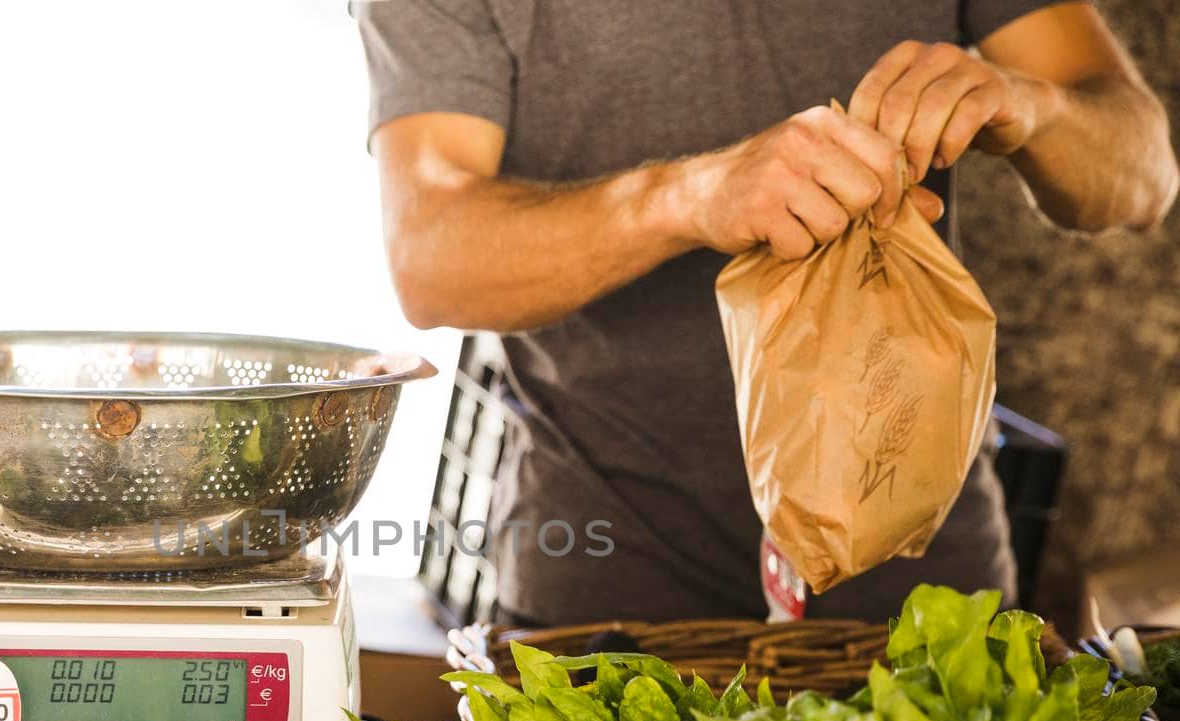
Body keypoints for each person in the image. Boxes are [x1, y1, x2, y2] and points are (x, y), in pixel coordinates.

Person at [355, 1, 1177, 626]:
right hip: (605, 601)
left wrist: (1039, 107)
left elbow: (1144, 177)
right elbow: (431, 253)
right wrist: (684, 197)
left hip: (923, 598)